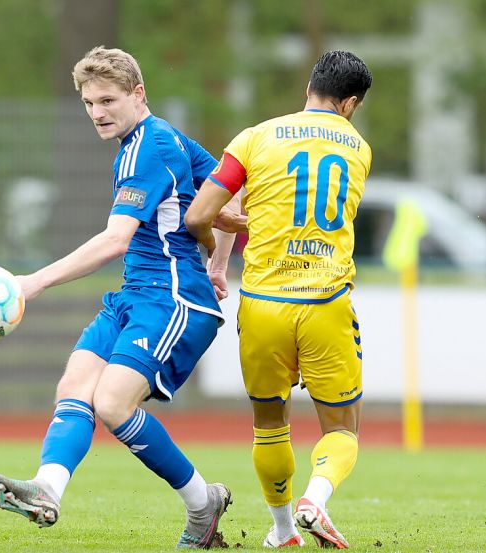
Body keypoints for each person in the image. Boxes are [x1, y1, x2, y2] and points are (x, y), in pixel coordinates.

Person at [0, 46, 232, 549]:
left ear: (139, 94)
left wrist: (34, 282)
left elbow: (115, 240)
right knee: (75, 384)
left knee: (112, 403)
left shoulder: (148, 147)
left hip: (173, 298)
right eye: (89, 103)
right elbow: (228, 188)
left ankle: (204, 504)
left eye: (107, 100)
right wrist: (219, 260)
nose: (97, 112)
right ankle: (47, 489)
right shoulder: (162, 140)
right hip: (137, 295)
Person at [184, 50, 373, 549]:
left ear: (310, 86)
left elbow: (199, 215)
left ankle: (285, 529)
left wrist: (217, 242)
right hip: (326, 301)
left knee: (269, 423)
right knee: (341, 428)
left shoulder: (254, 137)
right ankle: (316, 497)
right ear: (350, 103)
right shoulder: (359, 147)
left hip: (263, 302)